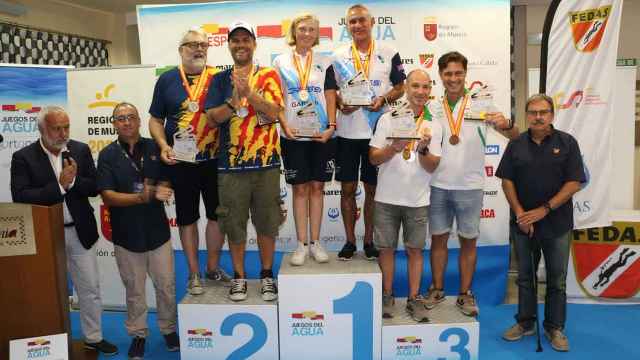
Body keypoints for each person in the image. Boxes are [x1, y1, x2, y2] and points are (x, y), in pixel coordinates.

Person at [10, 106, 118, 356]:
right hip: (46, 235)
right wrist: (59, 186)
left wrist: (74, 181)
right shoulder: (23, 157)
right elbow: (21, 196)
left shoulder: (79, 150)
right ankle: (49, 339)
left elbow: (94, 187)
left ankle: (94, 337)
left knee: (90, 288)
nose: (62, 133)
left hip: (80, 232)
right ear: (42, 129)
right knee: (47, 290)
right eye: (56, 128)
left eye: (66, 127)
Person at [424, 51, 520, 316]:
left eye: (458, 73)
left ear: (465, 74)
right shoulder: (432, 107)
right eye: (448, 73)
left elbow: (514, 135)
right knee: (438, 240)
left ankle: (465, 293)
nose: (453, 78)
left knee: (468, 242)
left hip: (471, 186)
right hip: (438, 184)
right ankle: (437, 288)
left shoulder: (482, 103)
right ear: (440, 76)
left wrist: (506, 123)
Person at [497, 94, 584, 352]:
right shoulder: (516, 144)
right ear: (527, 115)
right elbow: (506, 180)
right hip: (524, 225)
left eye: (543, 112)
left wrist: (544, 210)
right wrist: (521, 213)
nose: (538, 116)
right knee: (525, 278)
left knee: (557, 280)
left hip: (557, 224)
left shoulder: (567, 143)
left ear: (552, 115)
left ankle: (554, 327)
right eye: (533, 112)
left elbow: (574, 183)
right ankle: (525, 322)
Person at [206, 21, 284, 302]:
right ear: (228, 45)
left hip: (266, 165)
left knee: (267, 223)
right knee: (234, 225)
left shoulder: (269, 76)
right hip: (230, 167)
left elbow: (275, 112)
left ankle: (266, 275)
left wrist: (249, 93)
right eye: (235, 40)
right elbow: (212, 118)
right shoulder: (218, 79)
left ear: (254, 44)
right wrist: (234, 101)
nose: (240, 45)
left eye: (245, 39)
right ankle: (239, 277)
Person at [149, 27, 229, 296]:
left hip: (215, 160)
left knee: (217, 216)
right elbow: (155, 120)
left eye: (204, 45)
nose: (199, 49)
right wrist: (162, 145)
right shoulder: (167, 80)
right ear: (181, 50)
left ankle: (213, 267)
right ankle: (194, 273)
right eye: (193, 44)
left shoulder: (219, 78)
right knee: (186, 218)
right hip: (181, 161)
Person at [97, 103, 179, 359]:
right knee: (134, 290)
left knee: (166, 286)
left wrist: (163, 188)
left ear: (139, 121)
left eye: (131, 117)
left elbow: (167, 177)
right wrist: (143, 197)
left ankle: (168, 329)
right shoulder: (107, 155)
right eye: (120, 118)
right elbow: (107, 195)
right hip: (126, 235)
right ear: (114, 124)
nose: (126, 122)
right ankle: (138, 335)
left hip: (157, 233)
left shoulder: (155, 147)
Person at [332, 3, 406, 261]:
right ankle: (350, 241)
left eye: (362, 20)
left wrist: (384, 100)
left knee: (373, 190)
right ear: (347, 26)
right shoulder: (338, 55)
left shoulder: (389, 51)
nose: (358, 25)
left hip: (377, 132)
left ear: (372, 23)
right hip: (347, 133)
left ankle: (369, 240)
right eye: (352, 22)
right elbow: (332, 94)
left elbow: (401, 87)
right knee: (348, 189)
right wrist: (342, 104)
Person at [369, 69, 442, 322]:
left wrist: (422, 150)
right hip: (387, 199)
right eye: (415, 86)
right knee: (386, 250)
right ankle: (387, 296)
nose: (420, 92)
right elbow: (373, 158)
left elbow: (432, 166)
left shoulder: (435, 125)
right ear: (407, 88)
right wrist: (394, 148)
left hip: (418, 200)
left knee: (415, 251)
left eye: (425, 87)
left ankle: (414, 298)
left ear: (430, 90)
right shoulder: (388, 119)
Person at [273, 13, 336, 266]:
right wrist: (284, 124)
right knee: (299, 188)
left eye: (312, 29)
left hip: (321, 133)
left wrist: (332, 125)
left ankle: (316, 242)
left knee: (318, 187)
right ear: (294, 32)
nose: (307, 33)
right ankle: (301, 244)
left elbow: (330, 95)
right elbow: (276, 98)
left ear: (316, 34)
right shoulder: (280, 62)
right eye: (302, 29)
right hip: (293, 134)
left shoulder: (325, 60)